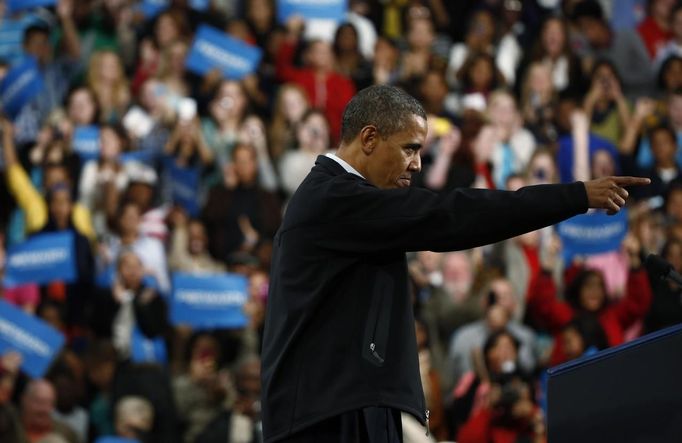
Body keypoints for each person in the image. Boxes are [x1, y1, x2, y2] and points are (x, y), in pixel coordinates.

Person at [260, 84, 649, 442]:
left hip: (345, 405)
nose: (416, 165)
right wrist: (576, 196)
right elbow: (455, 214)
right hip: (327, 417)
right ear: (369, 139)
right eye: (409, 148)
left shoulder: (345, 201)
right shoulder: (335, 199)